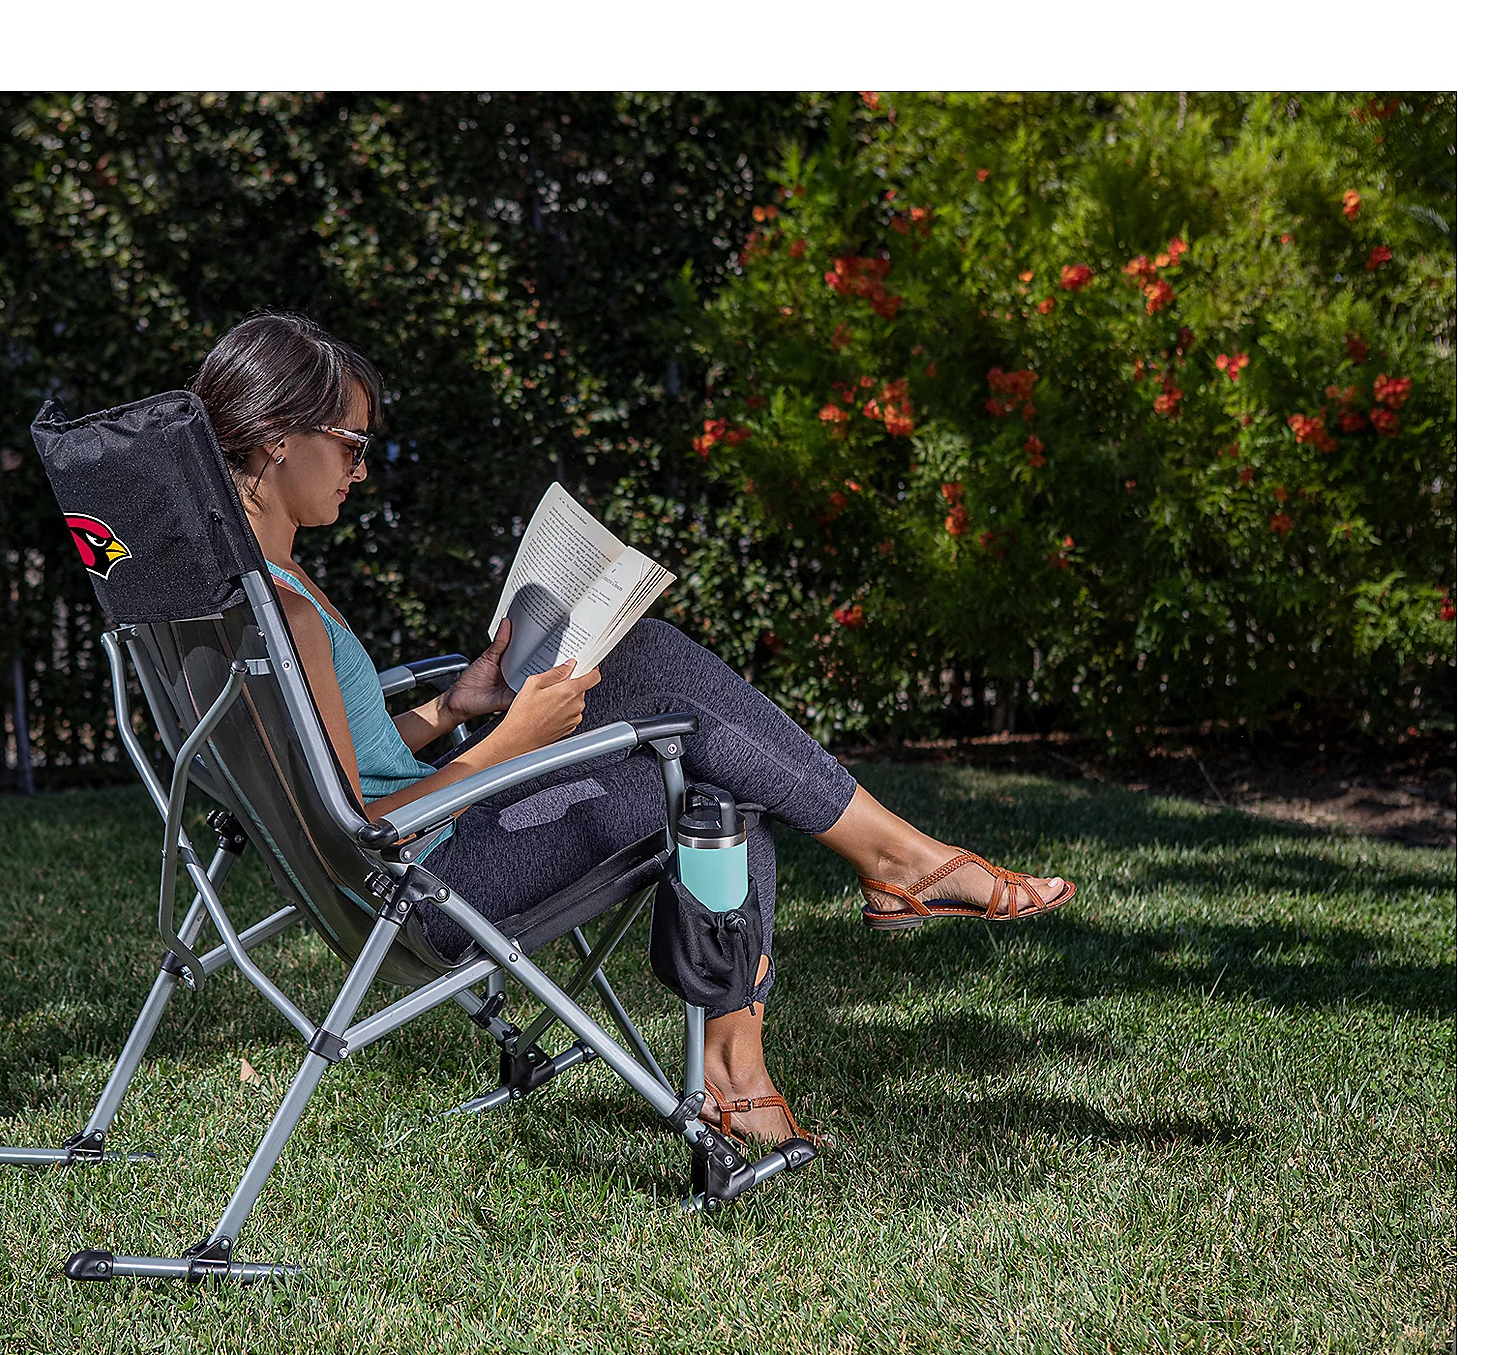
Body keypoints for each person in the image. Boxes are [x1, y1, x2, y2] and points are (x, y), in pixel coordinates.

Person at [192, 312, 1075, 1148]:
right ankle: (859, 915)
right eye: (351, 444)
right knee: (706, 764)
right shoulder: (284, 613)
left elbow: (337, 767)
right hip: (430, 889)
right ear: (277, 436)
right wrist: (512, 741)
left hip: (405, 870)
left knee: (684, 719)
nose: (361, 469)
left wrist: (456, 708)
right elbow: (361, 827)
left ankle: (831, 952)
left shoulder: (238, 597)